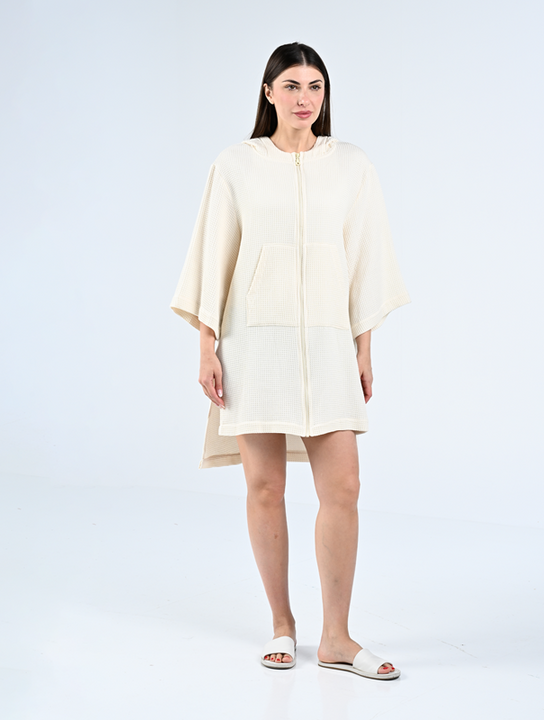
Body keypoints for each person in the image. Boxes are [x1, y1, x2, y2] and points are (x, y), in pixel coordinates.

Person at [170, 42, 410, 680]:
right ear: (269, 92)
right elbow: (213, 255)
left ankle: (337, 637)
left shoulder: (352, 166)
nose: (305, 99)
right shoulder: (236, 165)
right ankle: (282, 622)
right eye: (293, 86)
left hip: (329, 343)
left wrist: (364, 345)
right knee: (265, 487)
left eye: (316, 87)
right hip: (254, 344)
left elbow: (365, 257)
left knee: (344, 488)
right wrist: (206, 345)